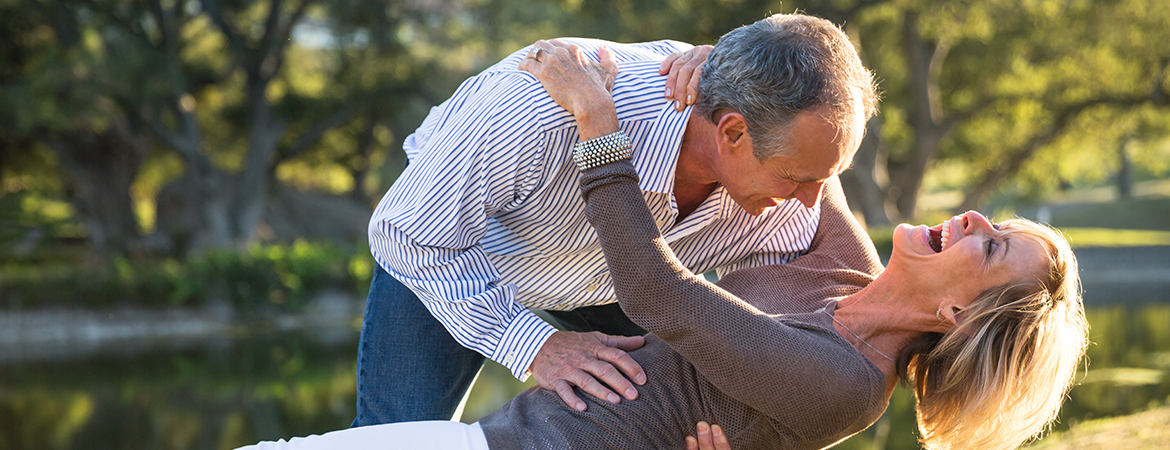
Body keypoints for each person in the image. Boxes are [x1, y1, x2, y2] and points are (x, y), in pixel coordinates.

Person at [238, 39, 1089, 450]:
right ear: (729, 128)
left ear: (953, 309)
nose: (977, 219)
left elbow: (666, 297)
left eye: (990, 250)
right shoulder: (847, 273)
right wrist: (711, 64)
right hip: (468, 263)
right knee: (388, 427)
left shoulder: (845, 383)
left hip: (592, 323)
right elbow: (807, 110)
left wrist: (601, 128)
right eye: (997, 225)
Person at [356, 12, 879, 427]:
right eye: (796, 177)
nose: (813, 204)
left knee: (660, 422)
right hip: (457, 259)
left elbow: (768, 343)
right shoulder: (536, 110)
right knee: (396, 440)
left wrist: (730, 435)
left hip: (615, 284)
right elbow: (406, 234)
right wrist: (535, 345)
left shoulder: (781, 201)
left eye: (825, 178)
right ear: (733, 134)